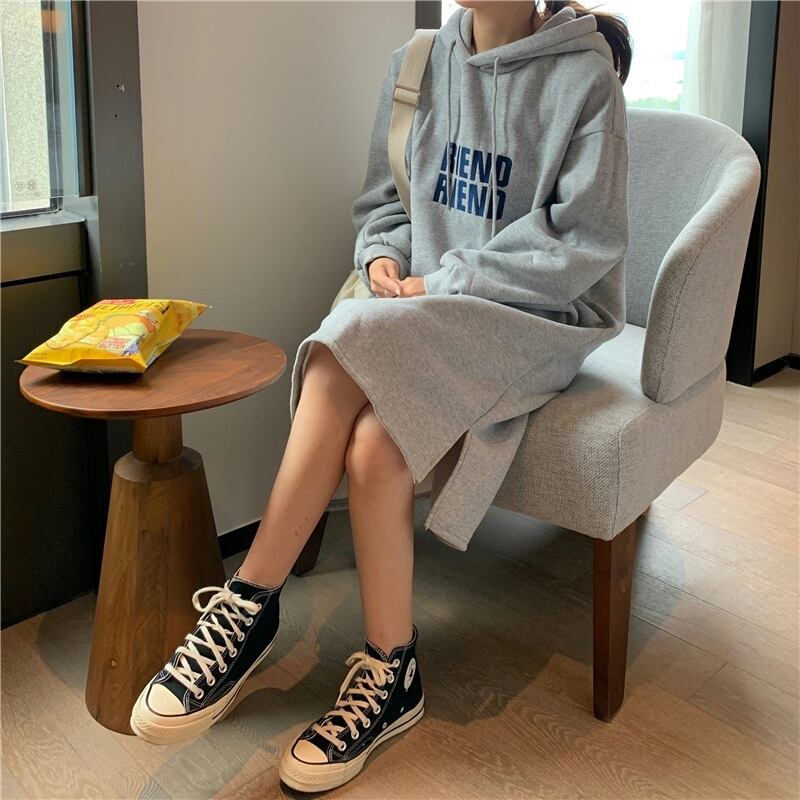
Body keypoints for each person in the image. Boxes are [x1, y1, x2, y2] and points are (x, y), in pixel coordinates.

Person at [129, 0, 632, 793]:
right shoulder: (418, 63)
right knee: (371, 442)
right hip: (422, 309)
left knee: (343, 343)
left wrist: (441, 281)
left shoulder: (584, 74)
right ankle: (394, 673)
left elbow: (580, 247)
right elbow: (387, 203)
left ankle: (249, 599)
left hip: (536, 318)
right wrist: (383, 260)